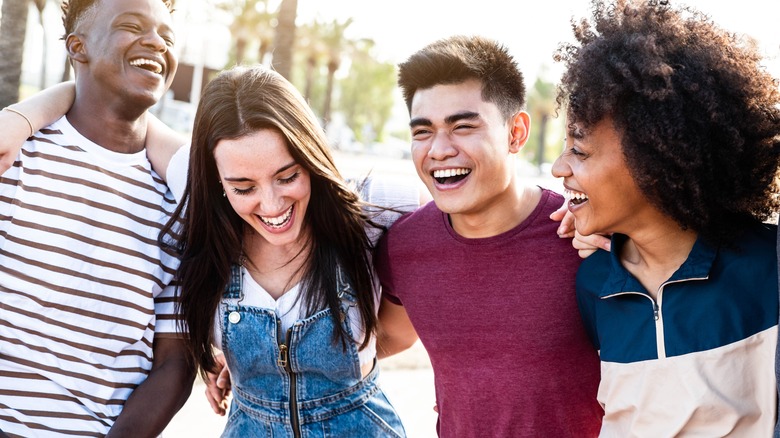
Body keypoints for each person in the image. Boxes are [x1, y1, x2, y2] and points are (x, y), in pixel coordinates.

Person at [550, 0, 780, 435]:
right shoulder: (593, 282)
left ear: (654, 160)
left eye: (578, 150)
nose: (559, 168)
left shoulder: (769, 267)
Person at [156, 65, 417, 436]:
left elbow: (473, 218)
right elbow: (130, 121)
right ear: (216, 180)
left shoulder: (371, 205)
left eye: (288, 176)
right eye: (243, 188)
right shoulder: (199, 188)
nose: (272, 204)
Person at [374, 35, 603, 437]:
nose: (440, 150)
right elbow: (390, 336)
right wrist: (250, 365)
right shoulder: (403, 248)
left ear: (516, 133)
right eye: (423, 132)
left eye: (463, 126)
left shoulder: (583, 237)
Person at [0, 0, 195, 436]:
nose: (156, 42)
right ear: (78, 47)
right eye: (132, 26)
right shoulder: (13, 156)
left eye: (167, 35)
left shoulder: (181, 196)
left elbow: (176, 362)